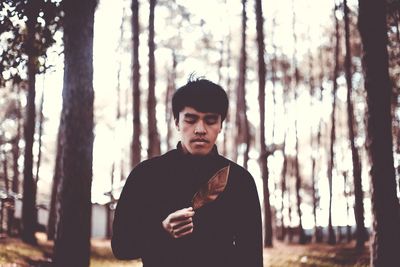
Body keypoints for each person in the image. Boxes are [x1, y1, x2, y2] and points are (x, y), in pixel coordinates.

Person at [111, 77, 263, 267]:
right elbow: (121, 247)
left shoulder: (240, 181)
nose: (200, 129)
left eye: (210, 120)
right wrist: (161, 230)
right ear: (176, 122)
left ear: (221, 125)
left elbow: (251, 257)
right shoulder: (146, 176)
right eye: (190, 120)